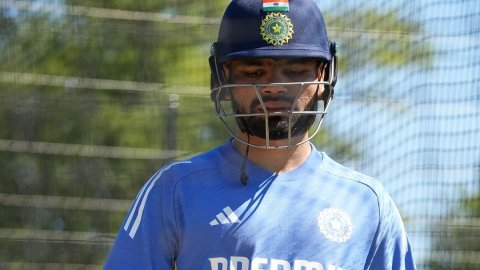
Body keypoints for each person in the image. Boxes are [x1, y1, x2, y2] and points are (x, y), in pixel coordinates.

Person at [104, 0, 416, 269]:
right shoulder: (175, 190)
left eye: (294, 71)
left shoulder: (367, 203)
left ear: (324, 77)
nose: (273, 86)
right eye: (253, 72)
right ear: (221, 77)